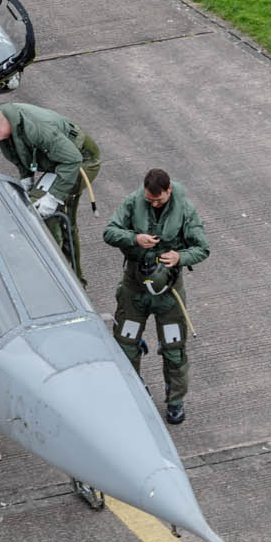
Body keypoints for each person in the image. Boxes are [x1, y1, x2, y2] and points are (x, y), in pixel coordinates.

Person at [102, 168, 208, 424]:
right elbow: (109, 232)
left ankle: (175, 402)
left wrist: (180, 257)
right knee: (126, 345)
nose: (153, 203)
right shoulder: (132, 202)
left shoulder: (185, 210)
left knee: (174, 350)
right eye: (149, 199)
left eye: (158, 200)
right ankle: (133, 395)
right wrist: (133, 238)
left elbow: (202, 248)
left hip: (168, 293)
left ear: (168, 190)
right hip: (134, 288)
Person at [0, 102, 100, 283]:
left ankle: (73, 281)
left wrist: (54, 197)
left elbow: (72, 160)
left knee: (57, 217)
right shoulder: (7, 123)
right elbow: (20, 154)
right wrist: (26, 179)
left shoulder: (37, 129)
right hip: (58, 161)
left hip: (81, 161)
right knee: (34, 204)